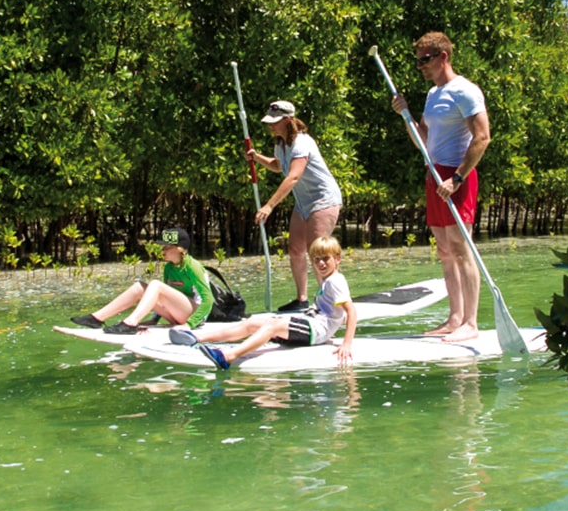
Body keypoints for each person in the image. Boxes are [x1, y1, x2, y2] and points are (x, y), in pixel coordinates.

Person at [390, 31, 491, 342]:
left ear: (443, 56)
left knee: (462, 249)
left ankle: (471, 324)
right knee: (446, 252)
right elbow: (422, 138)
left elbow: (482, 137)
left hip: (457, 176)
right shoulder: (434, 94)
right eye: (417, 60)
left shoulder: (465, 91)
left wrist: (457, 177)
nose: (420, 65)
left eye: (425, 59)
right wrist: (405, 115)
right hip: (433, 174)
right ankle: (455, 318)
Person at [170, 235, 357, 369]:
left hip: (315, 331)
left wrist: (346, 343)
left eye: (325, 259)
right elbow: (337, 313)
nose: (321, 263)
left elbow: (351, 312)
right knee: (252, 323)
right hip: (312, 324)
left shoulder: (335, 281)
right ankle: (197, 338)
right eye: (317, 260)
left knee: (271, 327)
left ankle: (229, 356)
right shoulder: (328, 280)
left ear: (337, 259)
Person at [247, 99, 343, 312]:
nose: (271, 125)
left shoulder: (302, 142)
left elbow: (293, 176)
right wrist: (256, 157)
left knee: (317, 251)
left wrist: (269, 206)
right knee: (295, 248)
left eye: (275, 121)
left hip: (323, 200)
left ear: (288, 120)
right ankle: (302, 299)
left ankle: (328, 302)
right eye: (269, 121)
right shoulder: (281, 143)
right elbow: (278, 165)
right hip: (303, 203)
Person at [69, 228, 215, 335]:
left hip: (195, 317)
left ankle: (130, 323)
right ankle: (96, 318)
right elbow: (163, 298)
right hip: (177, 314)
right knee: (140, 287)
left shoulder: (193, 266)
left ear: (180, 249)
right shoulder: (169, 268)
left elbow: (208, 300)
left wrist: (189, 325)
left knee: (156, 285)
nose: (162, 250)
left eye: (166, 246)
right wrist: (154, 320)